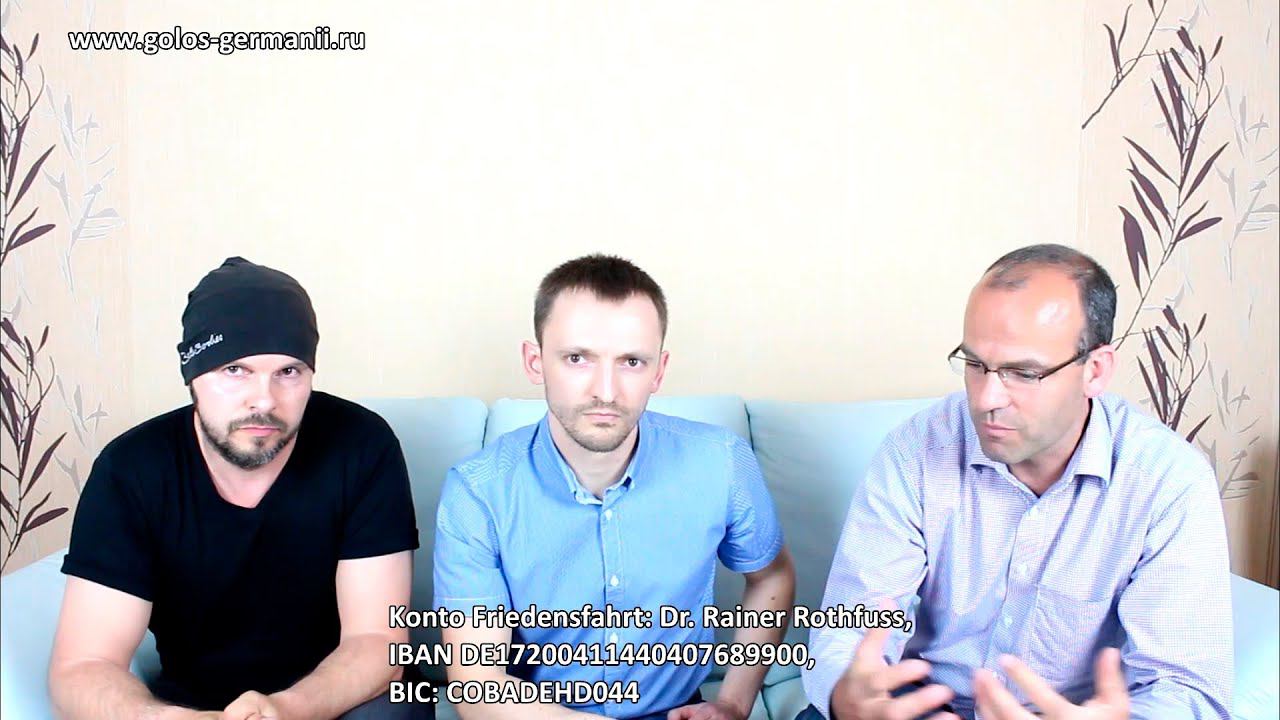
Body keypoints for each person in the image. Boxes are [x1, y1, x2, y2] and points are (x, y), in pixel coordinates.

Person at [800, 244, 1232, 720]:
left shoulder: (1168, 482)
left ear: (1095, 371)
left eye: (1023, 373)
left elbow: (1187, 689)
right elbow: (851, 624)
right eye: (974, 364)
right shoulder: (917, 449)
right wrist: (849, 697)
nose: (987, 398)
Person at [49, 257, 429, 719]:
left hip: (342, 698)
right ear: (193, 375)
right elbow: (85, 664)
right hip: (194, 706)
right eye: (235, 370)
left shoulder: (361, 445)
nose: (264, 400)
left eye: (288, 372)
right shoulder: (131, 470)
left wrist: (285, 710)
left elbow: (376, 641)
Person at [433, 254, 796, 719]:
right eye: (577, 358)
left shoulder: (721, 461)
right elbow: (478, 688)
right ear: (535, 362)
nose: (605, 391)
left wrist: (732, 702)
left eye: (631, 361)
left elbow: (772, 576)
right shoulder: (477, 491)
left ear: (659, 371)